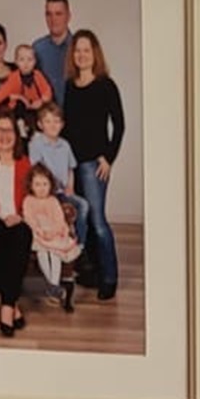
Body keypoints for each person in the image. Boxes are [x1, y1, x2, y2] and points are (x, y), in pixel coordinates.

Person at [58, 28, 124, 301]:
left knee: (97, 221)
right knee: (81, 218)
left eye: (86, 50)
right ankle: (93, 271)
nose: (82, 55)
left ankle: (109, 277)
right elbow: (67, 127)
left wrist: (109, 157)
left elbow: (119, 125)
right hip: (73, 164)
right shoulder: (70, 86)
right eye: (77, 50)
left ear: (94, 53)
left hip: (93, 165)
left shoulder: (106, 85)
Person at [0, 110, 38, 336]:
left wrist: (20, 215)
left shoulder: (24, 163)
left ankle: (6, 304)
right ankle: (11, 306)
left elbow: (33, 195)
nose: (4, 135)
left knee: (22, 235)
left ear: (16, 134)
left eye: (9, 130)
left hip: (16, 218)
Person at [28, 103, 91, 243]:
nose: (53, 125)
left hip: (62, 192)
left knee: (83, 205)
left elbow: (70, 168)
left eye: (56, 121)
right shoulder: (36, 144)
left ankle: (78, 243)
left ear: (62, 124)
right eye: (48, 121)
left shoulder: (65, 145)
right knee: (55, 212)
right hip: (45, 193)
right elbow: (36, 171)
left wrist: (70, 187)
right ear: (40, 124)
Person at [23, 162, 79, 311]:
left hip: (54, 233)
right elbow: (29, 219)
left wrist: (53, 232)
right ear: (31, 186)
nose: (41, 188)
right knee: (42, 252)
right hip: (38, 234)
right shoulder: (29, 201)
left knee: (55, 254)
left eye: (45, 184)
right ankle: (53, 286)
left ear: (50, 185)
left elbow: (59, 220)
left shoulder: (53, 201)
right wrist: (40, 231)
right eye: (37, 184)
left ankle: (53, 284)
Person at [0, 42, 53, 125]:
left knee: (44, 111)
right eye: (22, 59)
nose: (26, 63)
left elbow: (47, 90)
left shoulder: (38, 75)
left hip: (35, 106)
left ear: (35, 61)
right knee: (18, 106)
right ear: (16, 62)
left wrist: (42, 101)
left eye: (29, 59)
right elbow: (5, 90)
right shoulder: (14, 77)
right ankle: (20, 124)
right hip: (19, 108)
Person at [30, 0, 74, 105]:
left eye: (58, 14)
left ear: (68, 16)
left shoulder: (79, 48)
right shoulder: (37, 48)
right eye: (49, 14)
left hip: (75, 112)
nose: (53, 19)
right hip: (46, 114)